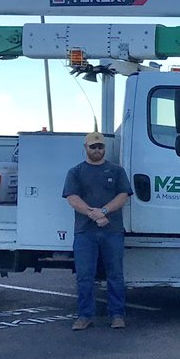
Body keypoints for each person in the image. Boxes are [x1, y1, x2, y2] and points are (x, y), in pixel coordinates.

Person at [63, 131, 132, 331]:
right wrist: (93, 214)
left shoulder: (116, 171)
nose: (97, 150)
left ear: (104, 148)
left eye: (100, 146)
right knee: (85, 275)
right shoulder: (75, 172)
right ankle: (84, 316)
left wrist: (103, 211)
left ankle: (117, 315)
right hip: (85, 232)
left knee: (116, 275)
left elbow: (123, 196)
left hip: (112, 231)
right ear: (85, 148)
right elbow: (72, 198)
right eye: (93, 146)